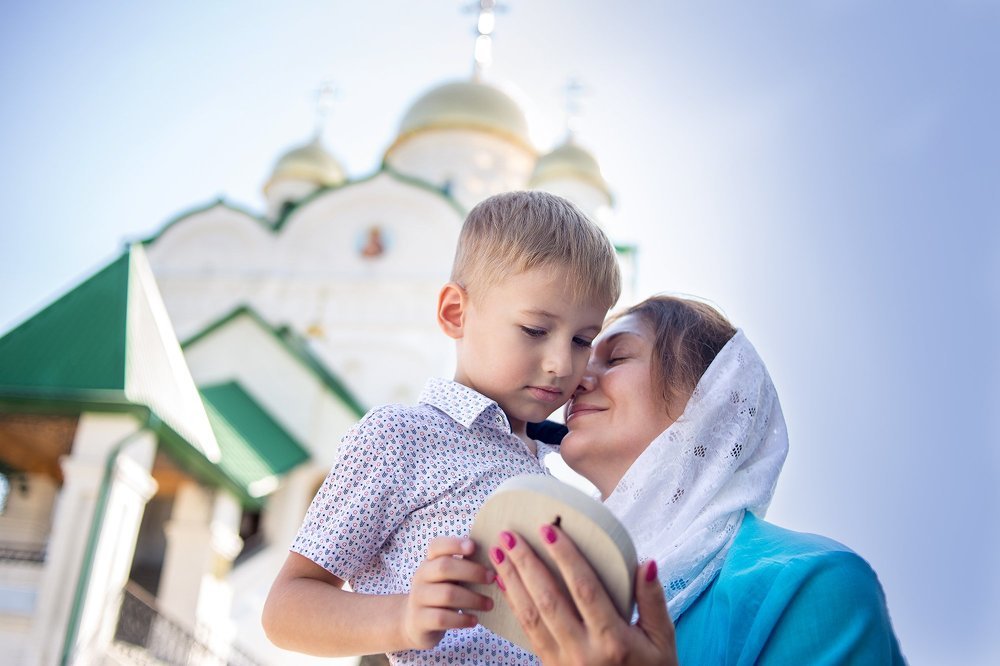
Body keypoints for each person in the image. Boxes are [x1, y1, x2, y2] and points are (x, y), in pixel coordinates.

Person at [261, 191, 622, 664]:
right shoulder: (400, 436)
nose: (560, 363)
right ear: (456, 313)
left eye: (582, 340)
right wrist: (405, 617)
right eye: (535, 330)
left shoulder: (558, 472)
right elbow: (286, 609)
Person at [480, 295, 905, 664]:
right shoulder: (551, 597)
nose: (575, 380)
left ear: (709, 394)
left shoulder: (812, 585)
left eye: (617, 357)